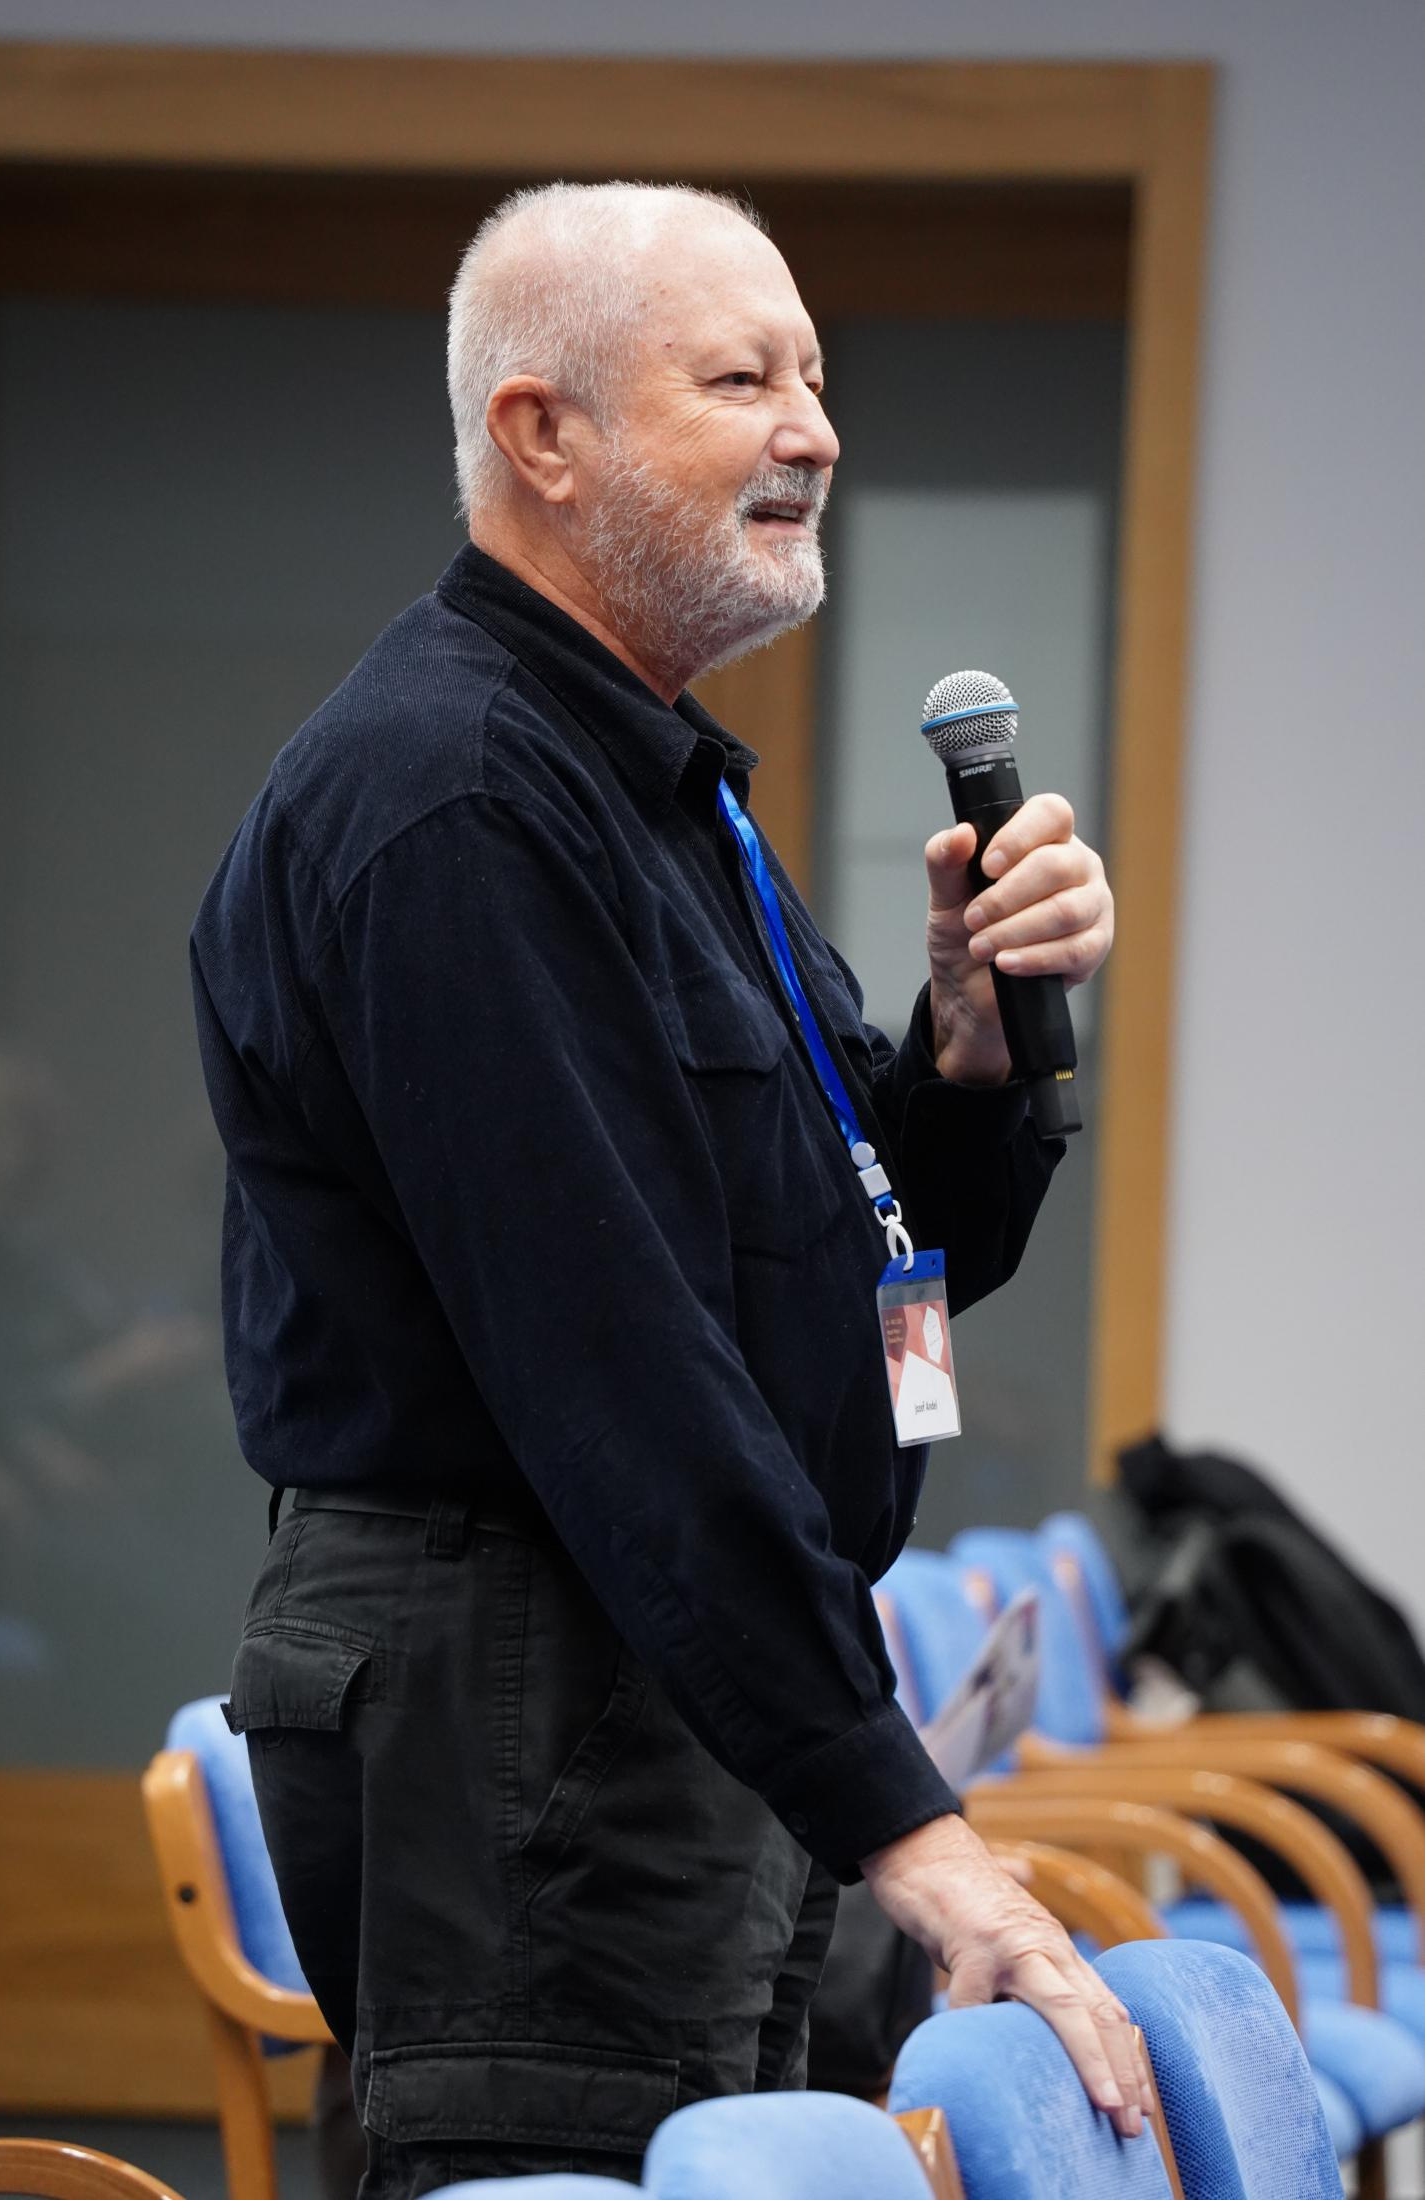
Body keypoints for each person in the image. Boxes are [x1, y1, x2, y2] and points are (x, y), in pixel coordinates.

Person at [190, 181, 1138, 2193]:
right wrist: (911, 1825)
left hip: (675, 1678)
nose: (814, 429)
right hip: (523, 1705)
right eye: (741, 380)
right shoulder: (456, 795)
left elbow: (854, 1254)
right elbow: (612, 1357)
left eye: (817, 375)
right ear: (543, 432)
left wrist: (971, 1054)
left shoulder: (657, 786)